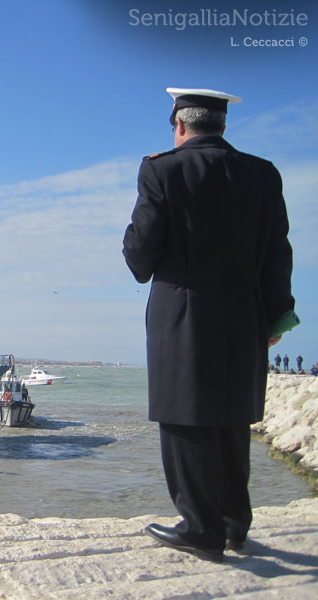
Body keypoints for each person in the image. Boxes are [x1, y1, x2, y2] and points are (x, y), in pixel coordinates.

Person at [123, 88, 295, 563]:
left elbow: (140, 257)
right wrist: (276, 315)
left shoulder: (160, 169)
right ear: (221, 125)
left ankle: (201, 528)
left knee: (184, 417)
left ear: (179, 124)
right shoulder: (264, 173)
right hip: (245, 309)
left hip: (183, 307)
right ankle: (235, 524)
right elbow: (278, 254)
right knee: (231, 416)